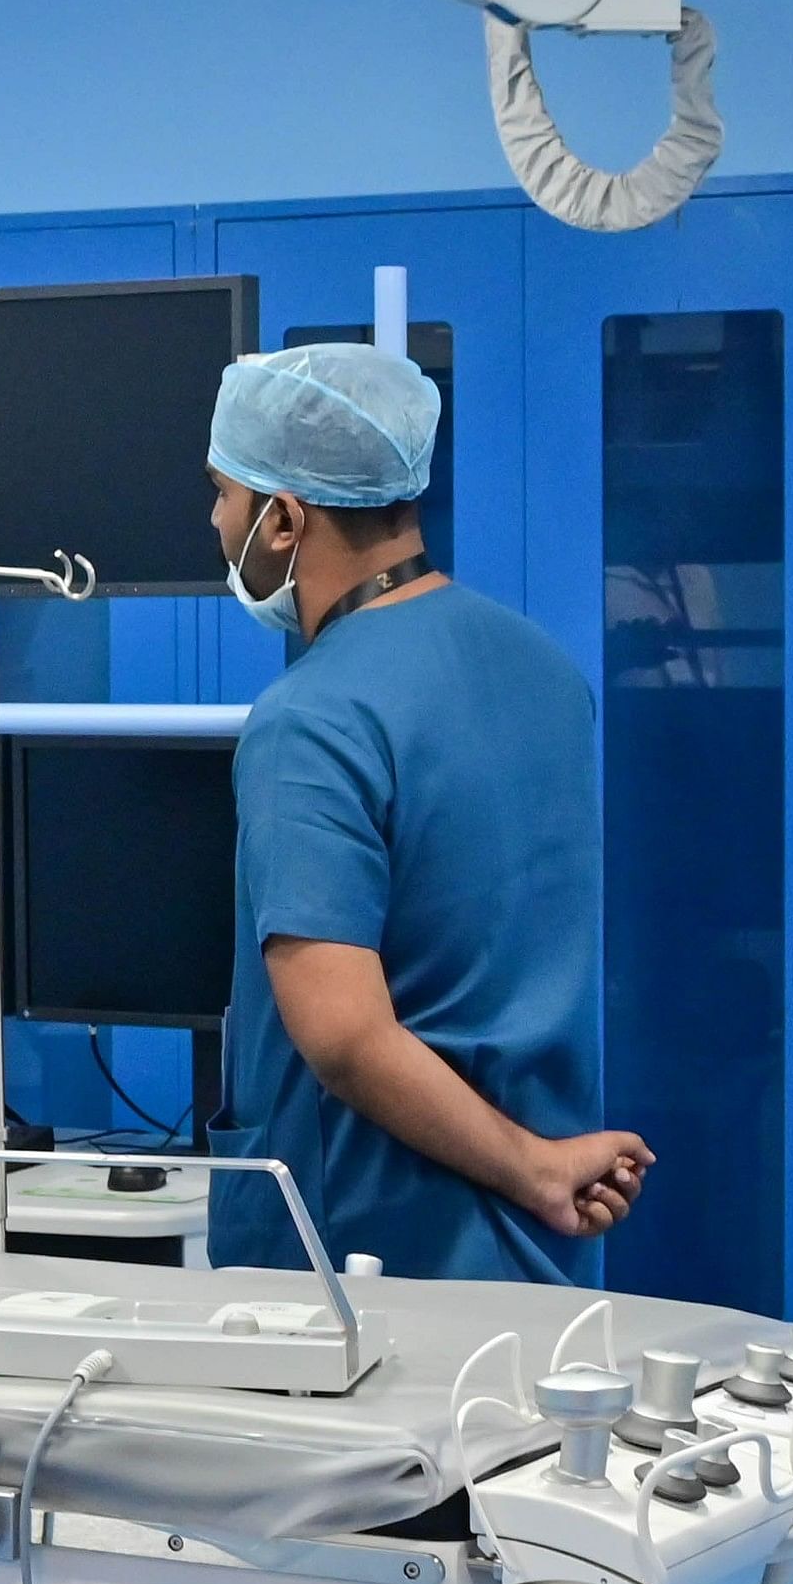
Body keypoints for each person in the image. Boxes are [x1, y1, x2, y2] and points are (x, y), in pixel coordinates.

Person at [202, 342, 652, 1285]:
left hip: (369, 1264)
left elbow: (345, 1038)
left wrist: (533, 1172)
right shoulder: (544, 670)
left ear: (283, 519)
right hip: (537, 1250)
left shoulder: (311, 719)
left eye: (224, 494)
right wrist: (539, 1166)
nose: (214, 520)